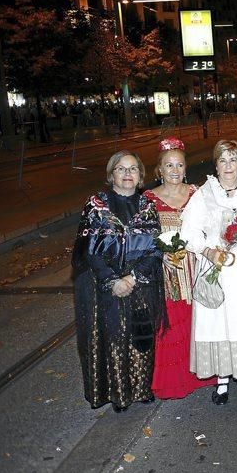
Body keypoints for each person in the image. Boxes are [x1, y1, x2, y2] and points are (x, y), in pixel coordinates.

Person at [73, 151, 165, 412]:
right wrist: (113, 280)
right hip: (105, 286)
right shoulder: (96, 206)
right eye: (121, 169)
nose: (127, 174)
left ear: (140, 176)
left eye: (133, 169)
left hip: (141, 283)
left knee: (141, 336)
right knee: (113, 337)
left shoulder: (148, 207)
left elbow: (156, 249)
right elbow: (88, 251)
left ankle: (141, 388)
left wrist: (133, 277)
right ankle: (118, 394)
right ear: (111, 173)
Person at [180, 140, 237, 405]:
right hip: (217, 266)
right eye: (223, 160)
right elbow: (189, 232)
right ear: (216, 165)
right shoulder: (204, 195)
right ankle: (222, 380)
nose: (228, 165)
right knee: (218, 321)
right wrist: (209, 252)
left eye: (233, 159)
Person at [144, 138, 216, 399]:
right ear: (159, 170)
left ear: (186, 168)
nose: (174, 170)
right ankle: (176, 380)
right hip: (167, 271)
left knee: (200, 320)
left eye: (179, 165)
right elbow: (141, 238)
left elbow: (213, 227)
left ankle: (205, 373)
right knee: (172, 323)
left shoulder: (198, 193)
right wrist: (160, 255)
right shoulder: (148, 200)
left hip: (196, 266)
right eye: (168, 165)